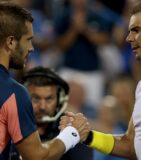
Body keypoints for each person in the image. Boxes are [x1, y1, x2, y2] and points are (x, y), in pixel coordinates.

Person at [60, 1, 141, 160]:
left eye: (136, 30)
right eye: (129, 31)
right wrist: (87, 135)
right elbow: (130, 145)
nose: (128, 38)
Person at [0, 2, 90, 160]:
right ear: (11, 42)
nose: (31, 48)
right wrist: (72, 133)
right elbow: (37, 157)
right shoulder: (14, 93)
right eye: (28, 40)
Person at [10, 66, 93, 160]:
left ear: (59, 101)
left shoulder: (72, 129)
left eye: (49, 99)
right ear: (23, 98)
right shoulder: (8, 126)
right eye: (36, 98)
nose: (42, 106)